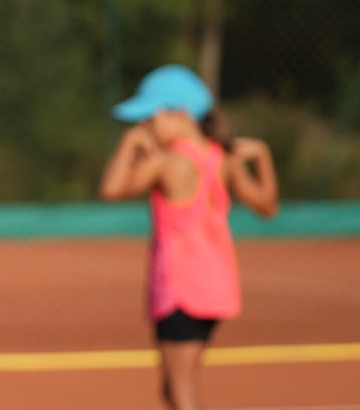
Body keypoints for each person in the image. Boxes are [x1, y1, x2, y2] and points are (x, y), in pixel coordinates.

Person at [98, 64, 278, 410]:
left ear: (180, 115)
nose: (144, 126)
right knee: (175, 386)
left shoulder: (168, 161)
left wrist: (129, 144)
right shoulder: (222, 158)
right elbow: (267, 205)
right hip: (216, 289)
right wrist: (264, 157)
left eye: (150, 118)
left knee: (181, 390)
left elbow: (112, 189)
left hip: (179, 292)